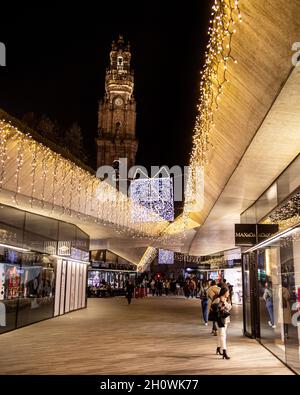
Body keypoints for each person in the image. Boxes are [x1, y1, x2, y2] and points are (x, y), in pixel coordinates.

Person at [213, 287, 232, 360]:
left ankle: (218, 348)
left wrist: (224, 303)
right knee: (223, 335)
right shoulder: (218, 299)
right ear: (224, 292)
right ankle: (224, 352)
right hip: (220, 320)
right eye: (228, 292)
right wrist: (220, 305)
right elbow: (213, 307)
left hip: (226, 320)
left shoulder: (226, 299)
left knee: (220, 335)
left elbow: (230, 307)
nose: (229, 293)